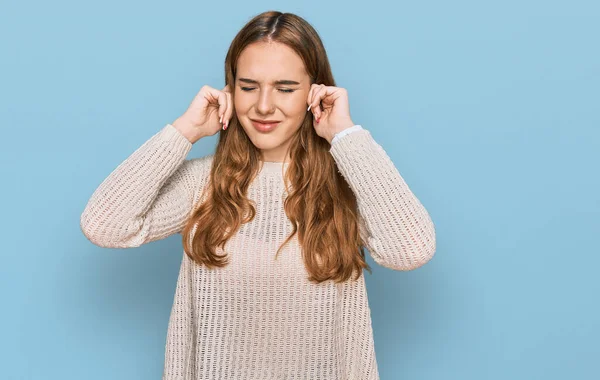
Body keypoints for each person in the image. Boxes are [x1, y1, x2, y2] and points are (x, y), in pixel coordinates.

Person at [80, 10, 436, 380]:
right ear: (229, 90)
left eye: (285, 88)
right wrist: (184, 131)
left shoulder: (349, 182)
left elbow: (411, 248)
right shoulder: (204, 183)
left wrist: (344, 134)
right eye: (249, 87)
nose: (264, 106)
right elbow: (104, 225)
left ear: (315, 93)